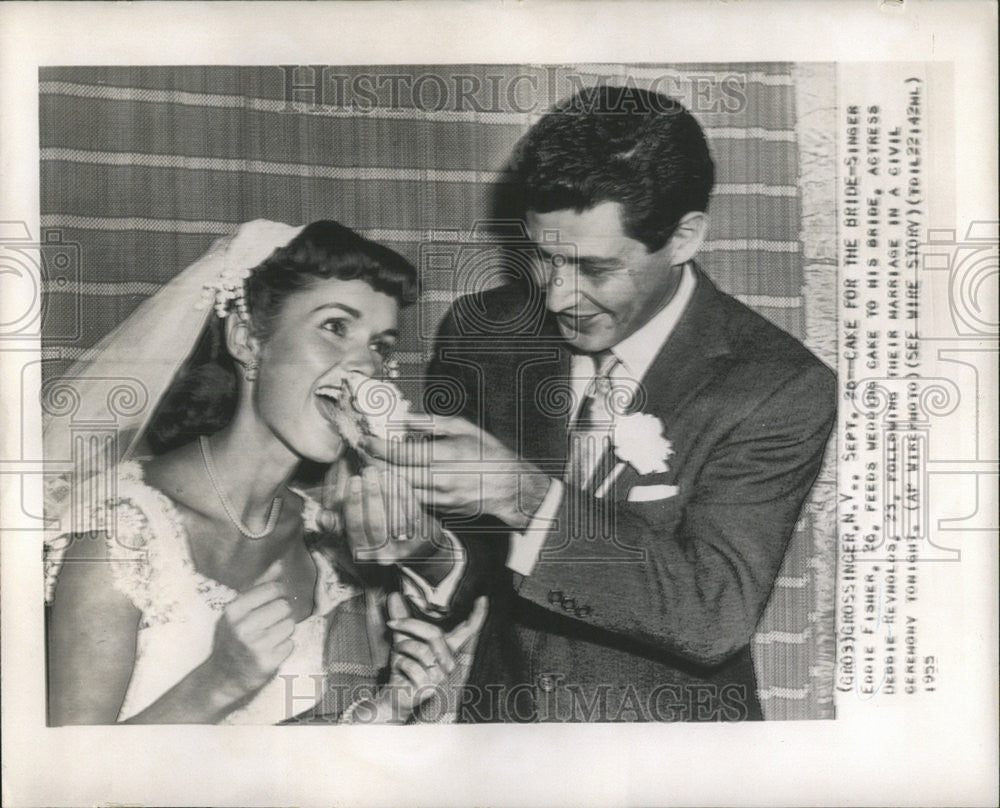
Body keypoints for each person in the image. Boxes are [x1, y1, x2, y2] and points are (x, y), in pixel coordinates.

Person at [362, 86, 837, 722]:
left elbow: (713, 612)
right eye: (544, 258)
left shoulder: (777, 386)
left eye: (593, 268)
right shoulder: (483, 334)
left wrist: (524, 496)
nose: (558, 297)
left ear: (684, 238)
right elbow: (474, 559)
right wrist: (421, 553)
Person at [44, 220, 485, 725]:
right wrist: (217, 684)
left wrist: (386, 711)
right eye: (335, 327)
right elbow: (68, 783)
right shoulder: (119, 531)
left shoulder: (328, 541)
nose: (364, 367)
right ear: (248, 340)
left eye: (380, 345)